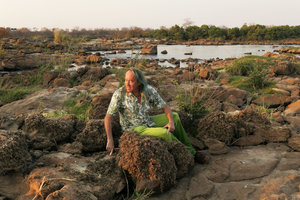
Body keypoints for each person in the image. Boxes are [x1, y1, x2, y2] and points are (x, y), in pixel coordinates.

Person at [104, 68, 208, 163]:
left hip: (148, 121)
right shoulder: (119, 94)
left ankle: (189, 147)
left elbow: (165, 106)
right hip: (134, 129)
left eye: (131, 81)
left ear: (139, 82)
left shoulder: (148, 90)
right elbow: (108, 117)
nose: (127, 84)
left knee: (175, 117)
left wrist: (171, 122)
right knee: (165, 133)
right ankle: (191, 154)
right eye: (126, 80)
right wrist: (110, 139)